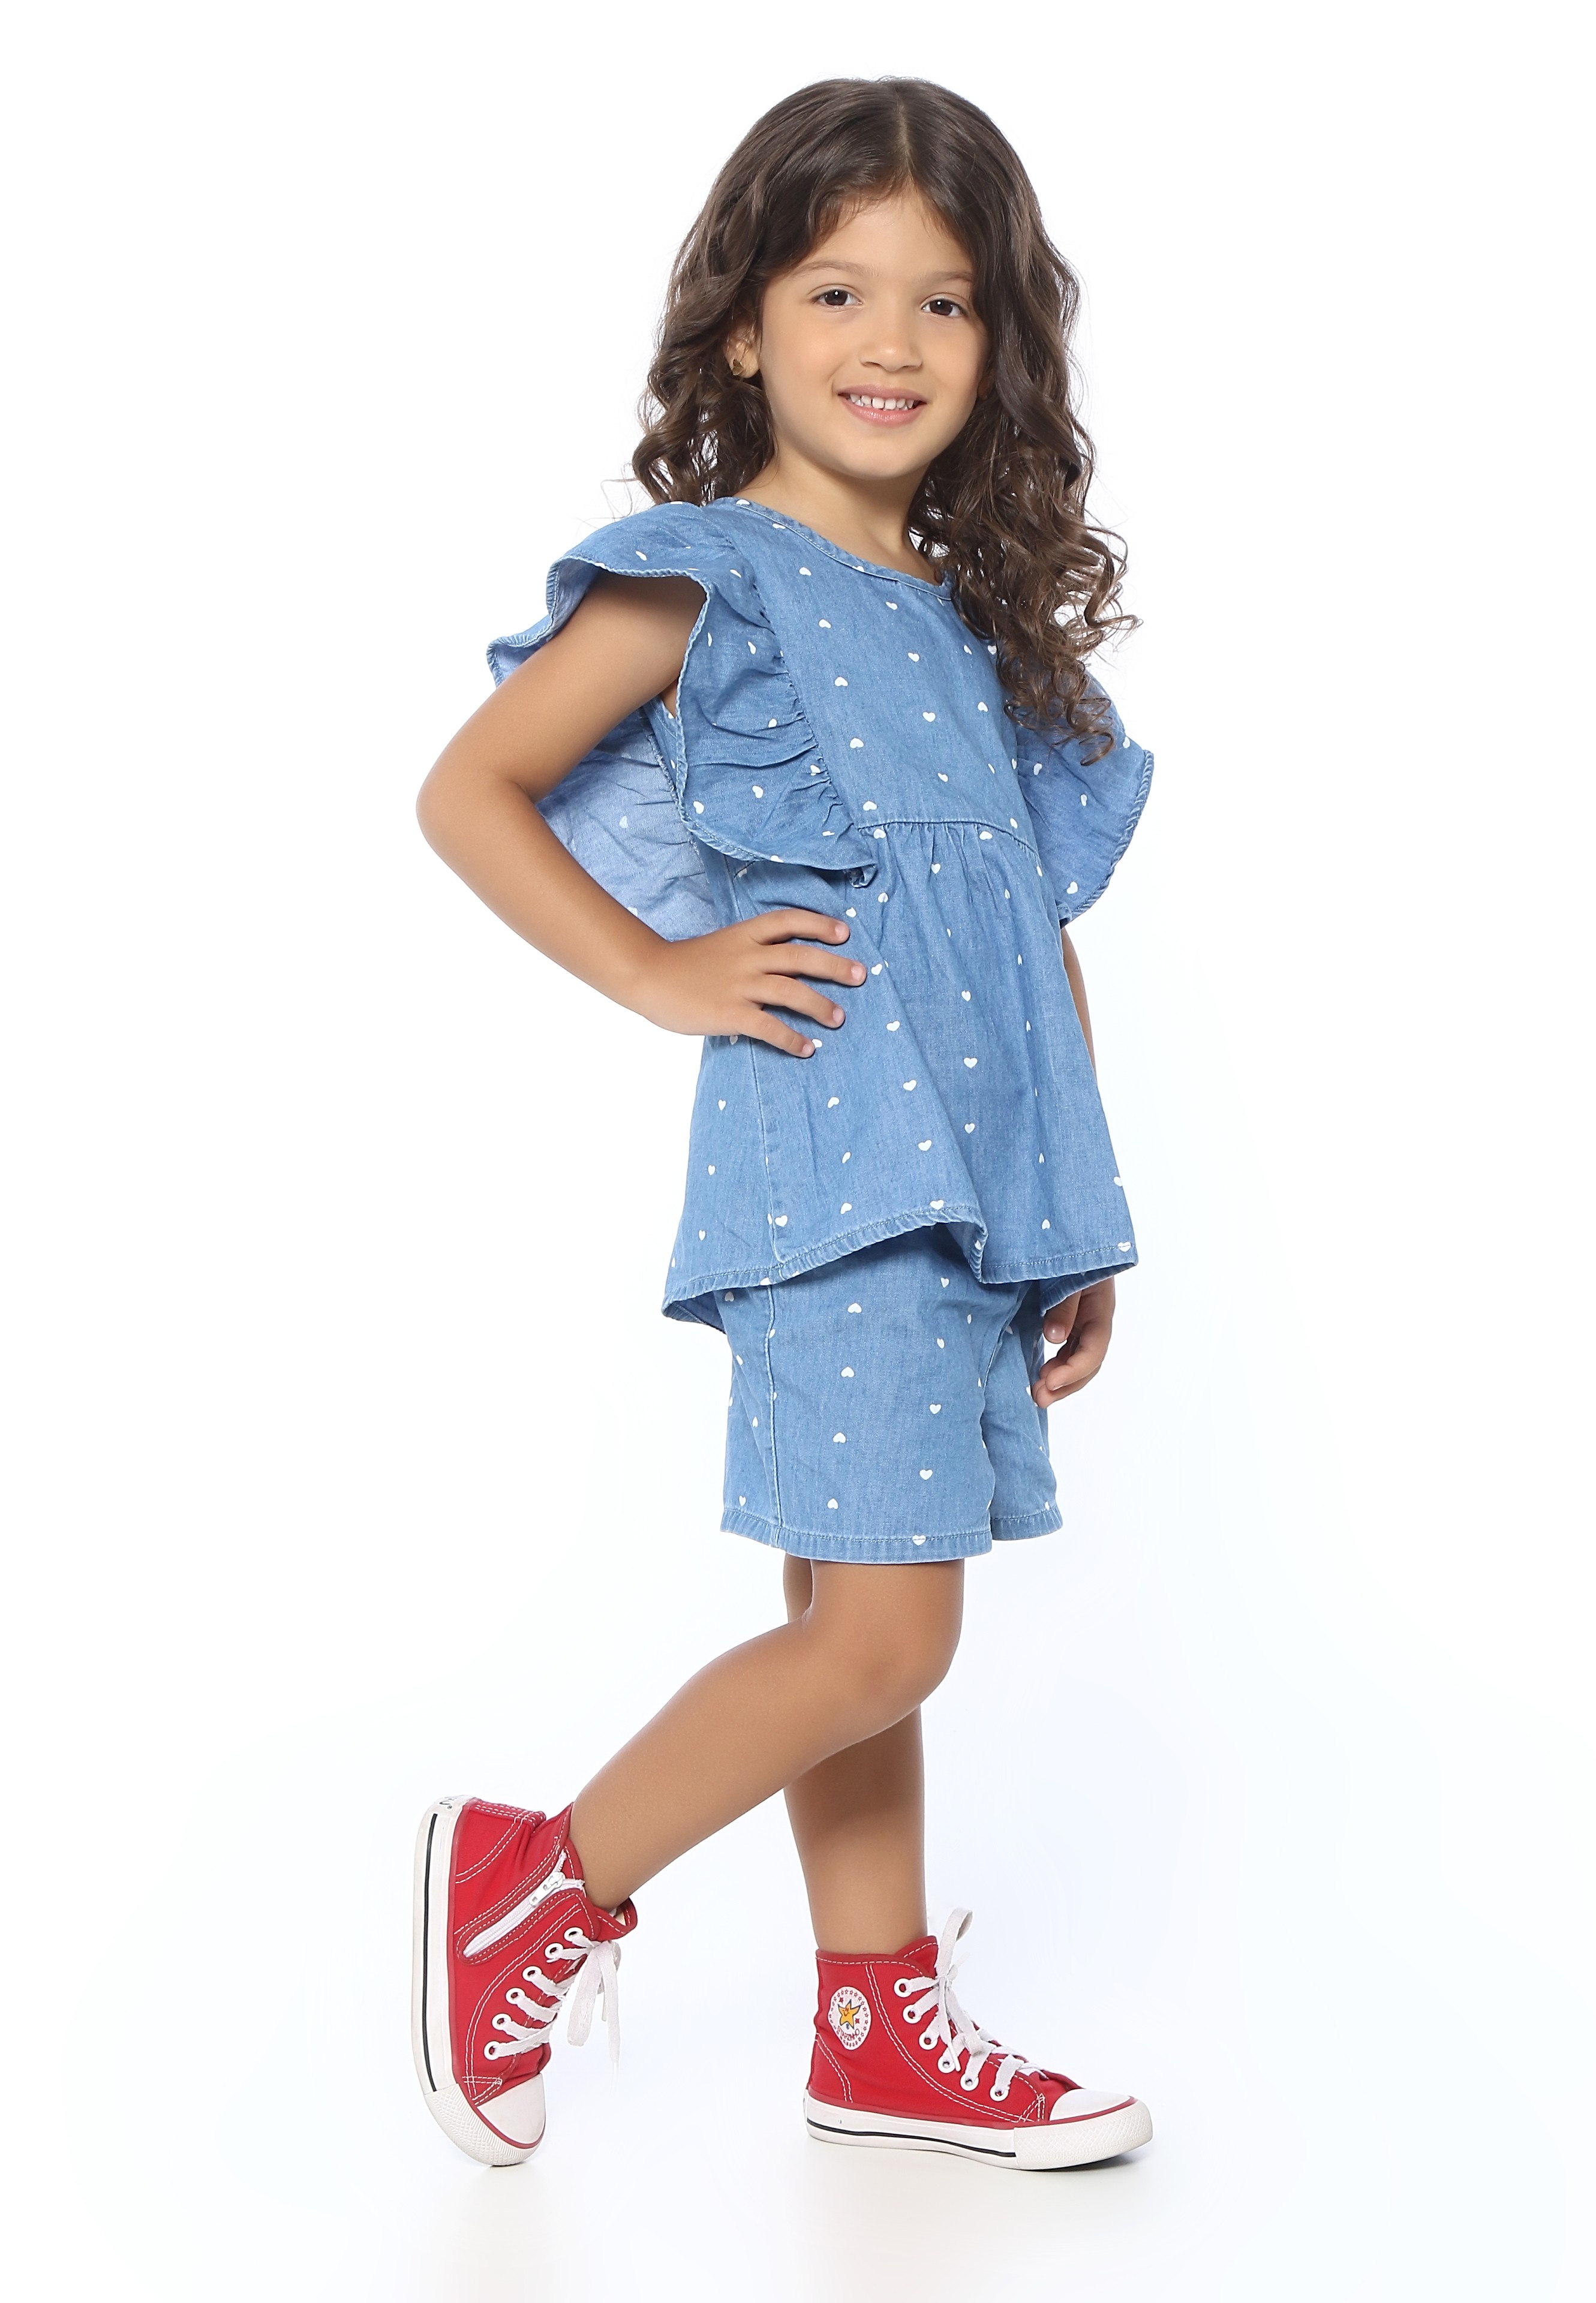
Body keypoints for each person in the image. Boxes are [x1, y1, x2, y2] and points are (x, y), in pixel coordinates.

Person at [411, 75, 1155, 2174]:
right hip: (830, 1171)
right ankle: (530, 1884)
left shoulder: (973, 630)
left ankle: (870, 2021)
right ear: (743, 326)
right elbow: (469, 789)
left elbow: (1022, 933)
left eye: (944, 300)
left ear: (998, 343)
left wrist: (1075, 1208)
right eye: (837, 291)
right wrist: (663, 974)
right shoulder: (705, 580)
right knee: (888, 1632)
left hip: (973, 1188)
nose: (889, 341)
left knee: (861, 1629)